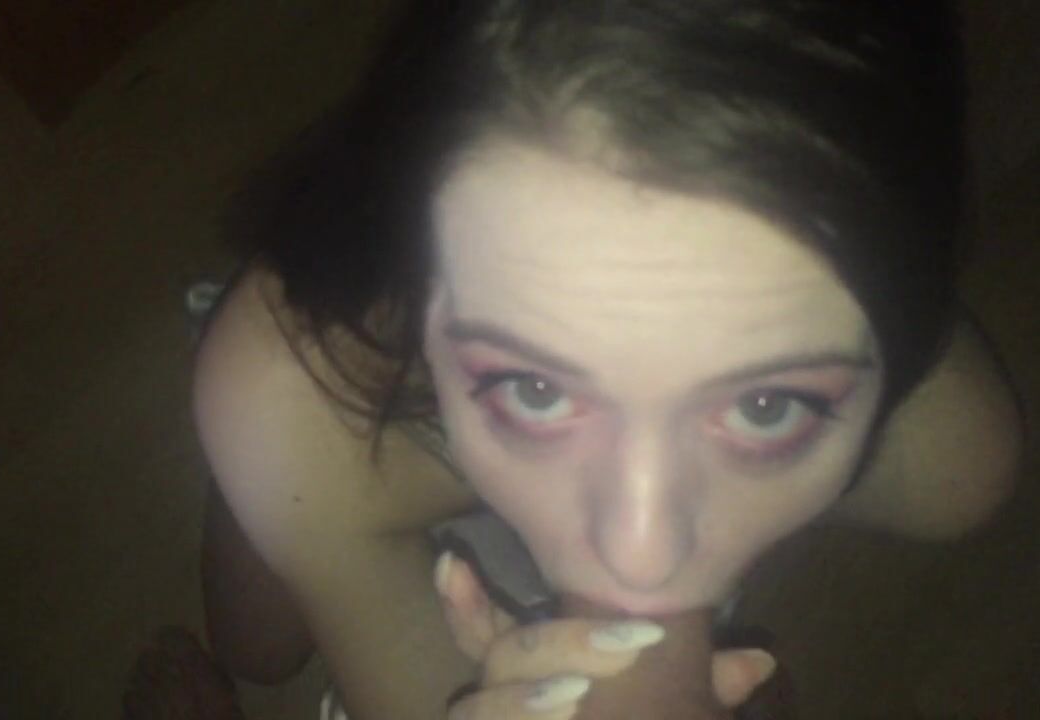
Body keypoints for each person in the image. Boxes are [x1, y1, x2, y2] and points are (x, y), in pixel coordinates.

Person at [130, 1, 1027, 718]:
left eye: (766, 406)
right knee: (257, 644)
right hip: (355, 401)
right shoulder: (297, 382)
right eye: (533, 387)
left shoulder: (949, 464)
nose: (640, 557)